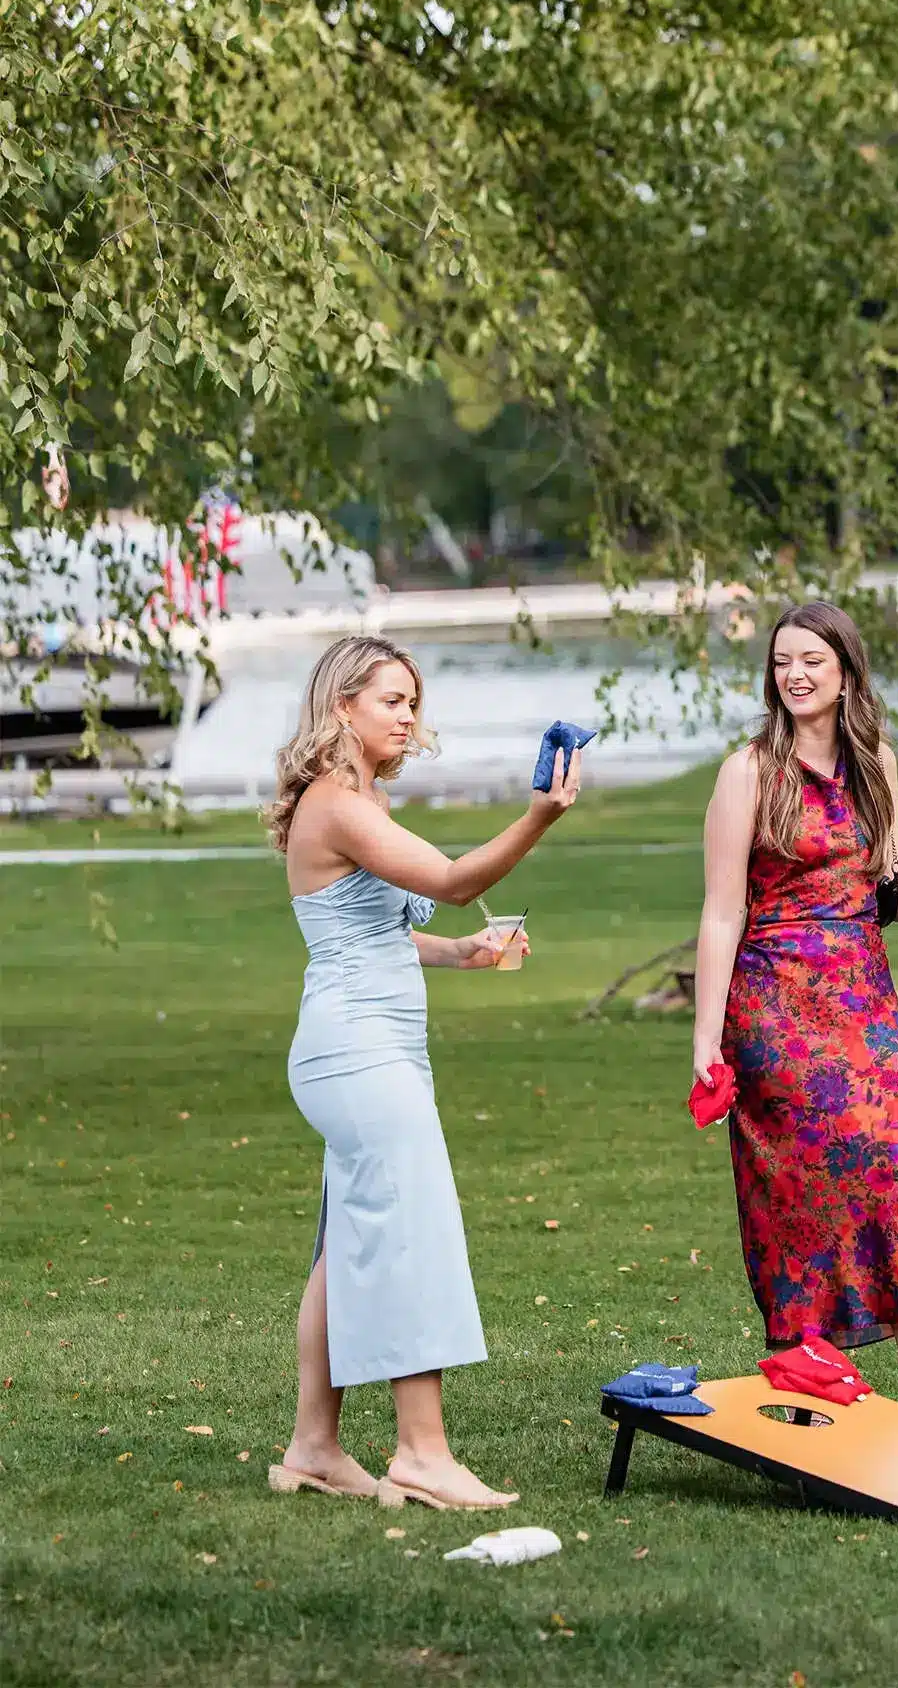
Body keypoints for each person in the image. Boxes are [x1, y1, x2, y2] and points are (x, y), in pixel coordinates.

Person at [266, 634, 581, 1510]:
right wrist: (539, 817)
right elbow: (451, 879)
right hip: (355, 1049)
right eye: (392, 701)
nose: (409, 716)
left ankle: (314, 1447)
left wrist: (461, 952)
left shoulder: (358, 801)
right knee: (411, 1234)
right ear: (342, 707)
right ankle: (421, 1453)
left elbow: (374, 933)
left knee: (346, 1246)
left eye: (413, 702)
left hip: (374, 1046)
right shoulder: (336, 804)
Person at [692, 601, 898, 1418]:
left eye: (812, 660)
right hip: (774, 1007)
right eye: (781, 662)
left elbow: (881, 896)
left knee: (895, 1178)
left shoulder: (877, 765)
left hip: (866, 1008)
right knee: (806, 1199)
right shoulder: (746, 772)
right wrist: (707, 1039)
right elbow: (722, 911)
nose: (794, 675)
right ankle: (814, 1405)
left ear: (845, 673)